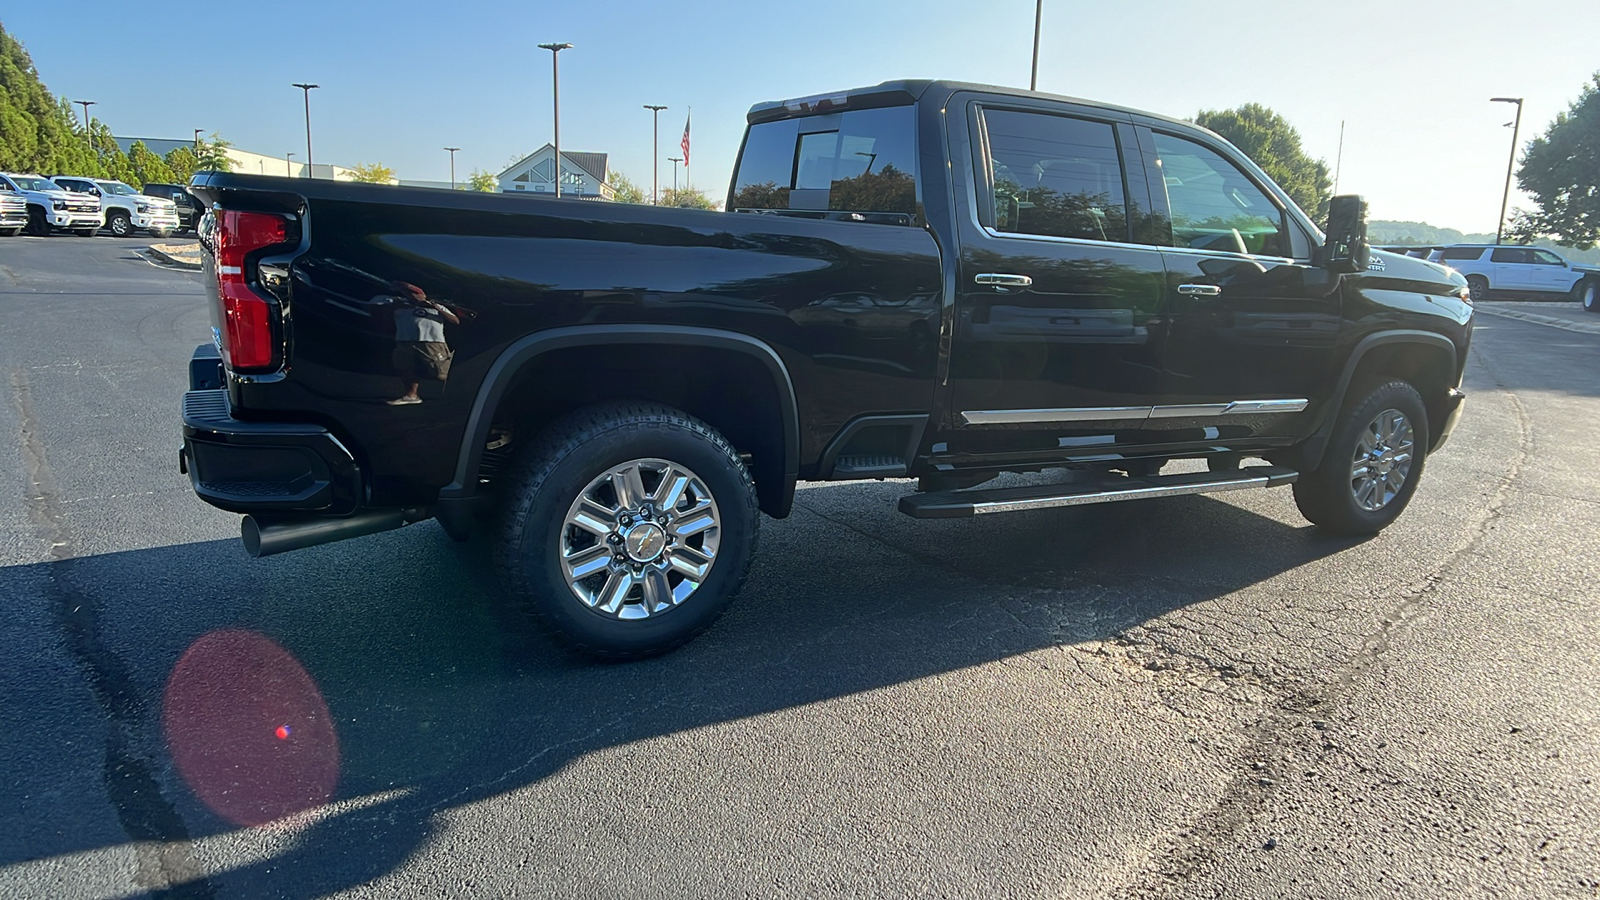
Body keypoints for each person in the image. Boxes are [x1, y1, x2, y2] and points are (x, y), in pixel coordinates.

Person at [383, 282, 459, 405]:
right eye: (408, 293)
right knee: (405, 367)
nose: (412, 296)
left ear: (423, 295)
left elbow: (455, 321)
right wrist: (394, 306)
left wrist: (436, 308)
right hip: (405, 340)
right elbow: (382, 315)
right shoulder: (399, 306)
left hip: (432, 342)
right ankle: (411, 395)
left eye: (416, 293)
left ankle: (456, 394)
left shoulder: (435, 306)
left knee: (440, 373)